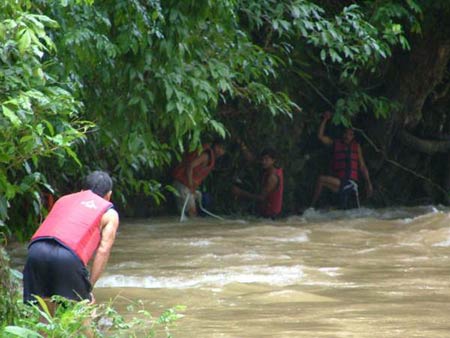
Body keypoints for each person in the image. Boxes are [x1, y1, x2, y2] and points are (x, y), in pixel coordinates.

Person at [23, 170, 119, 312]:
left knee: (46, 315)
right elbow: (103, 250)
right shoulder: (109, 213)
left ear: (81, 190)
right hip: (67, 256)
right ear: (109, 195)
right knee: (83, 314)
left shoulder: (64, 199)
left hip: (36, 251)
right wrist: (88, 286)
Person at [310, 111, 373, 209]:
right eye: (346, 133)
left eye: (350, 134)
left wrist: (368, 182)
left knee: (321, 179)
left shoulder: (356, 147)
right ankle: (314, 206)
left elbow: (362, 166)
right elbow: (320, 137)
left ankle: (312, 206)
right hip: (340, 182)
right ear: (343, 134)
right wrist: (325, 120)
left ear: (353, 136)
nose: (347, 136)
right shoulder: (335, 143)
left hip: (350, 183)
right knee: (321, 180)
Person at [172, 140, 225, 217]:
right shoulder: (206, 156)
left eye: (223, 150)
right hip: (182, 185)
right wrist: (190, 185)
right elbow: (190, 166)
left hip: (185, 186)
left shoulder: (211, 157)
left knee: (189, 215)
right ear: (215, 146)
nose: (220, 151)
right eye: (219, 147)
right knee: (192, 214)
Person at [232, 142, 284, 218]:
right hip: (265, 213)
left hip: (270, 217)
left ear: (273, 160)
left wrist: (240, 193)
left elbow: (261, 198)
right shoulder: (269, 167)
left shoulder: (272, 178)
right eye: (263, 159)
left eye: (266, 159)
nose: (263, 162)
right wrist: (242, 146)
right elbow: (252, 159)